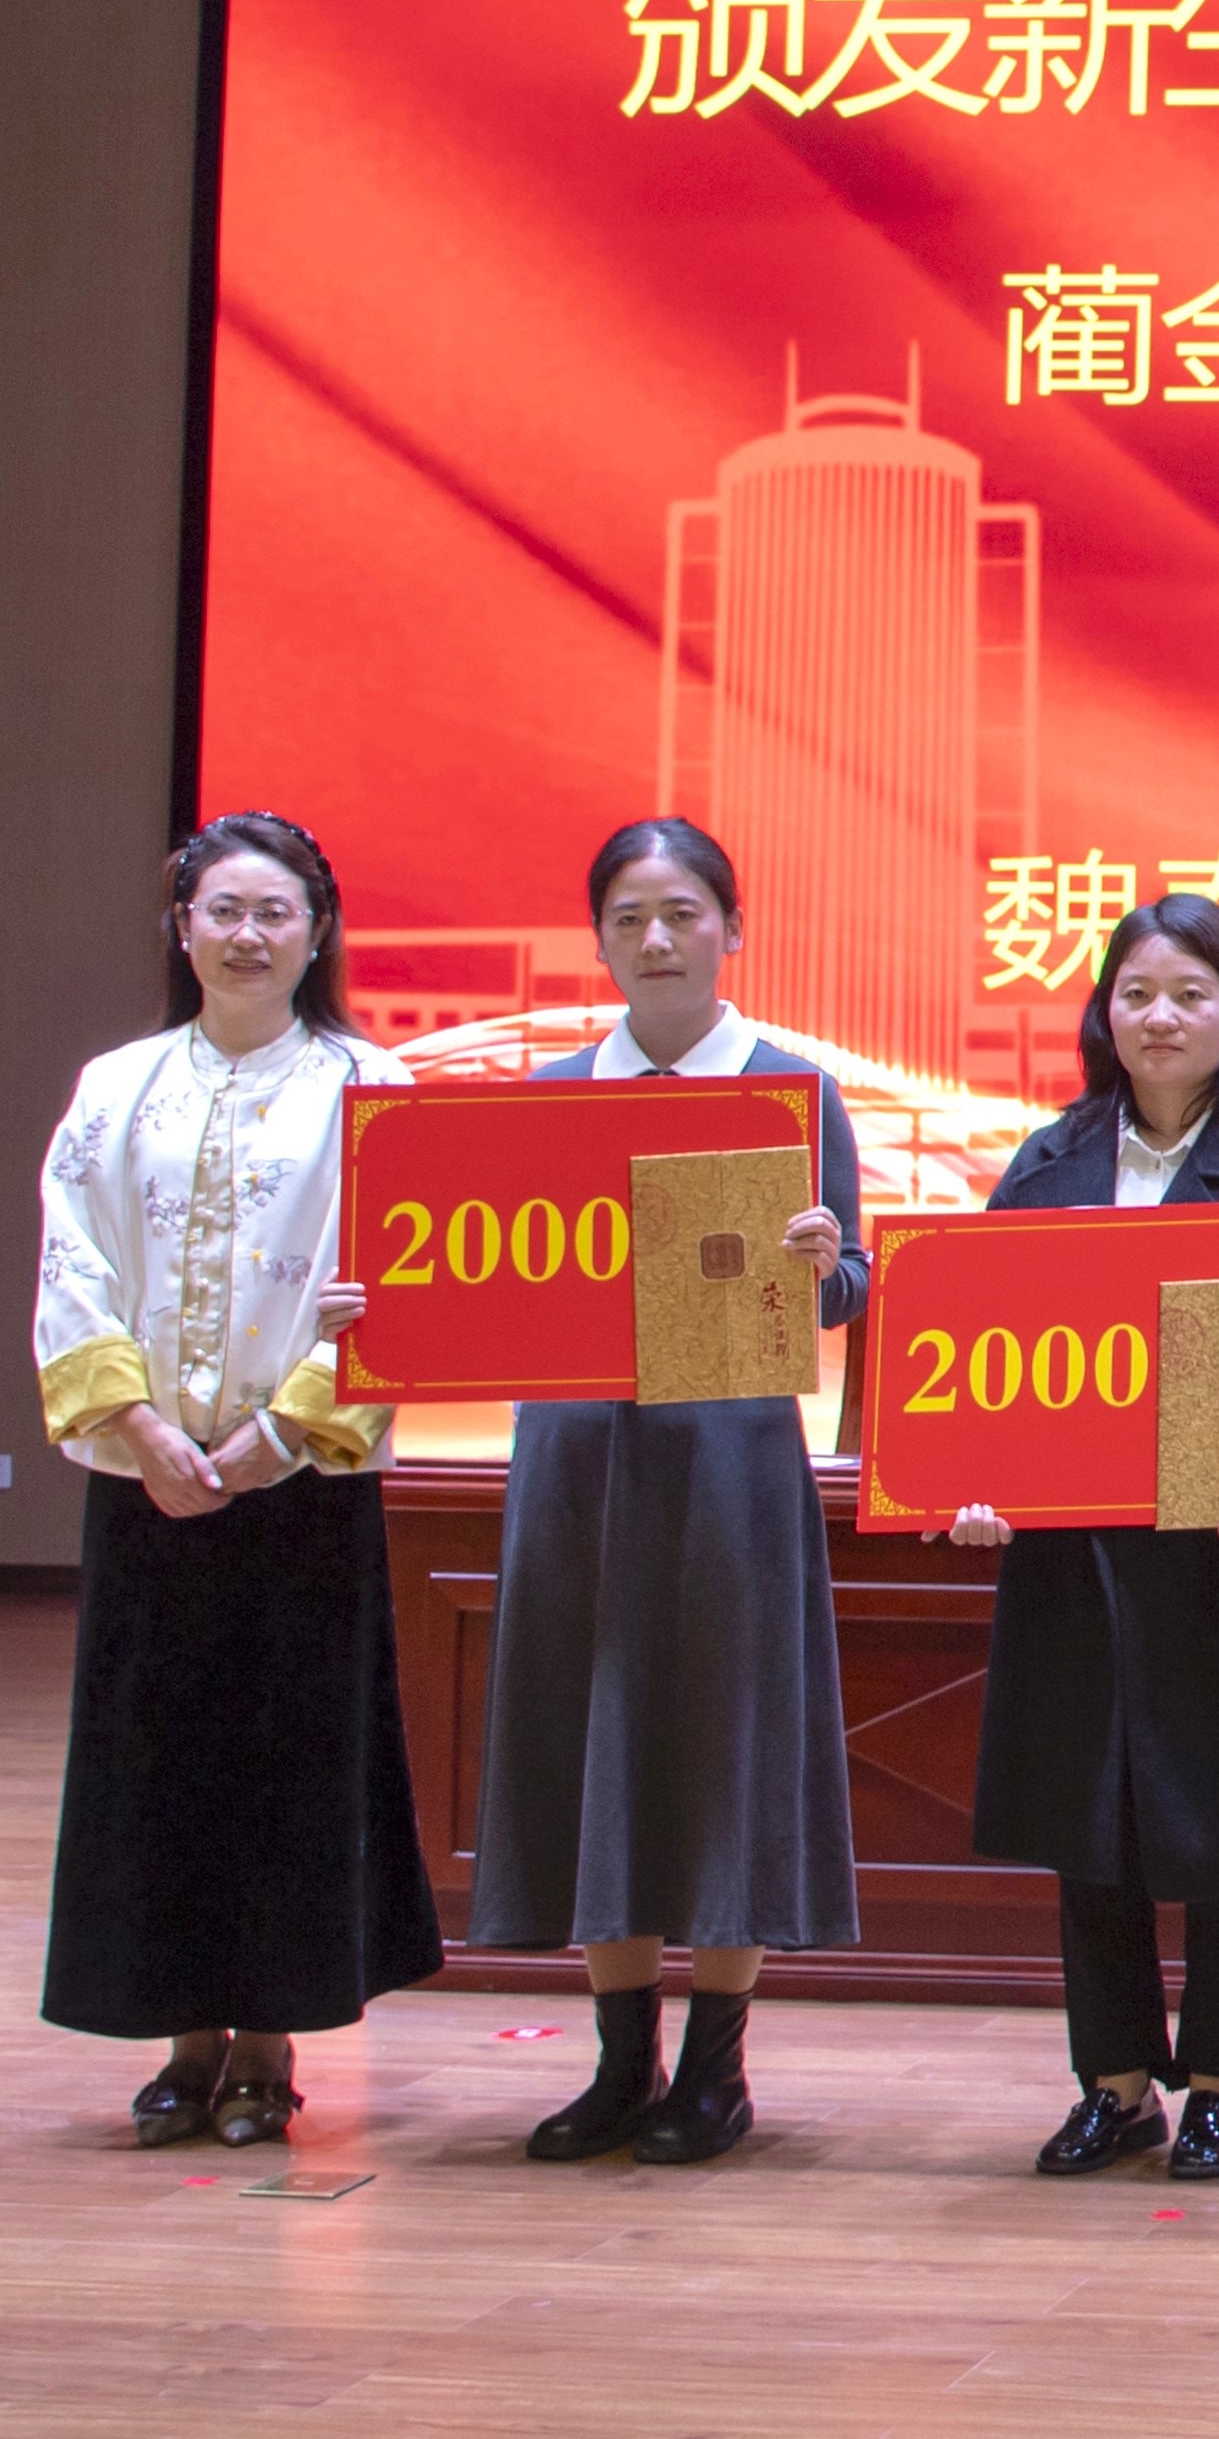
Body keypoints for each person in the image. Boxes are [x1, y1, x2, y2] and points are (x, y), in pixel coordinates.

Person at [440, 821, 873, 2168]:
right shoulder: (552, 1093)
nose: (658, 939)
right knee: (597, 1736)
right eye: (629, 917)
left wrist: (823, 1264)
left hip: (731, 1466)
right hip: (577, 1462)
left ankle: (716, 2069)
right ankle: (620, 2063)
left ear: (732, 930)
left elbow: (851, 1289)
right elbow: (489, 1281)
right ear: (599, 942)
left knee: (724, 1740)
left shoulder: (790, 1090)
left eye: (682, 912)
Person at [941, 895, 1219, 2187]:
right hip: (1075, 1549)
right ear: (1104, 1014)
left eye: (1190, 992)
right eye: (1136, 993)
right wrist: (969, 1483)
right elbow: (976, 1351)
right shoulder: (1047, 1161)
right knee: (1093, 1821)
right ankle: (1117, 2083)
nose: (1161, 1017)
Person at [29, 815, 441, 2144]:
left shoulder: (375, 1088)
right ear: (183, 927)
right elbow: (73, 1264)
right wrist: (144, 1433)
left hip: (302, 1491)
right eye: (223, 910)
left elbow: (403, 1288)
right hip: (146, 1484)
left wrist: (283, 1433)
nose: (247, 935)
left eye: (275, 913)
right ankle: (182, 2041)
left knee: (288, 1767)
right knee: (159, 1761)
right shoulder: (116, 1087)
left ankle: (268, 2048)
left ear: (318, 933)